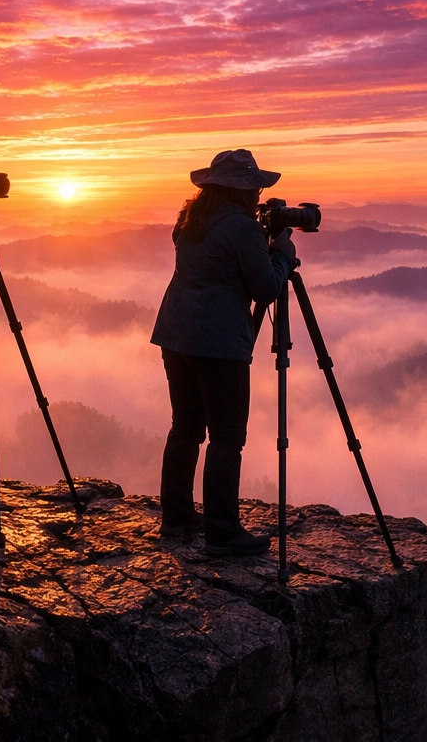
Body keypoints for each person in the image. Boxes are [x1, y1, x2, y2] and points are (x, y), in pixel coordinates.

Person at [150, 149, 297, 557]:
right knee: (227, 436)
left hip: (177, 335)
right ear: (246, 190)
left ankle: (176, 517)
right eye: (256, 188)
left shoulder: (190, 221)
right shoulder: (241, 229)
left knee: (185, 429)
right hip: (217, 344)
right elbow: (265, 287)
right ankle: (222, 530)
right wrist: (283, 255)